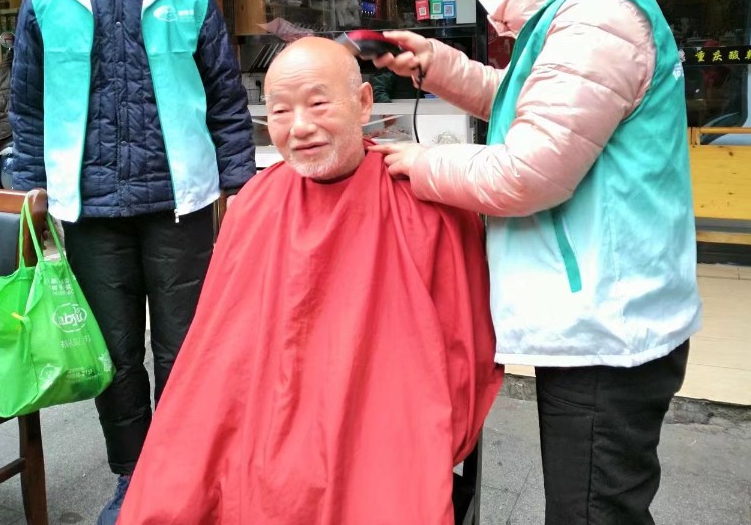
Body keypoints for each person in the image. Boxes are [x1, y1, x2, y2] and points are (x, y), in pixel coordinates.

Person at [371, 0, 702, 525]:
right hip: (602, 315)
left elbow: (529, 170)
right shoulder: (575, 10)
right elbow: (528, 103)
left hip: (609, 325)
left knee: (592, 513)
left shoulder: (595, 17)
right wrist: (437, 66)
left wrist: (420, 164)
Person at [116, 36, 501, 525]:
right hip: (264, 415)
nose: (300, 127)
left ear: (364, 103)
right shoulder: (253, 206)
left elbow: (460, 354)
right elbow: (218, 359)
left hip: (377, 419)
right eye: (280, 111)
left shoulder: (426, 203)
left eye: (319, 104)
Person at [8, 0, 256, 525]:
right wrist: (30, 182)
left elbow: (225, 97)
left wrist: (239, 184)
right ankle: (133, 478)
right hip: (89, 207)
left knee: (186, 350)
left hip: (179, 203)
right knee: (114, 359)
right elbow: (26, 101)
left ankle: (188, 475)